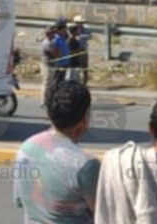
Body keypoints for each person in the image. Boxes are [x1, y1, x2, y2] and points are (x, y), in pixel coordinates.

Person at [15, 81, 100, 223]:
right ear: (85, 117)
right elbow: (103, 215)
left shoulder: (26, 149)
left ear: (49, 113)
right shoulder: (86, 165)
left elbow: (21, 200)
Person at [51, 18, 72, 89]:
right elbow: (55, 52)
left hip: (64, 64)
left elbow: (70, 37)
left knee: (61, 82)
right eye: (64, 28)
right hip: (59, 64)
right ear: (60, 29)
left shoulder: (62, 37)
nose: (66, 30)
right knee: (57, 83)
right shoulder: (55, 39)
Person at [39, 27, 56, 107]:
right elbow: (51, 54)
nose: (54, 35)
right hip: (46, 65)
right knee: (46, 82)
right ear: (48, 34)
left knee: (51, 83)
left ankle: (49, 99)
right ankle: (43, 101)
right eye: (52, 33)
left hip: (51, 64)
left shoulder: (51, 42)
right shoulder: (46, 43)